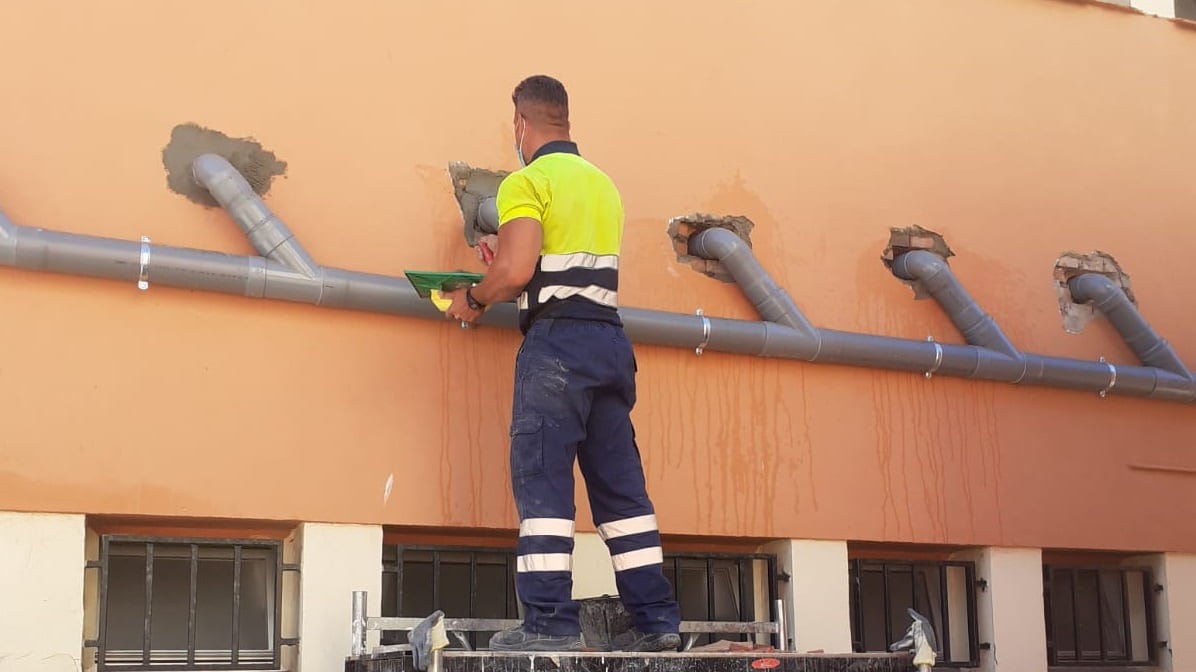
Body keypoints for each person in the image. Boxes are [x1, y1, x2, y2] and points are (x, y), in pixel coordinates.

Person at [442, 74, 682, 653]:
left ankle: (549, 624)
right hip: (609, 343)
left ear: (520, 125)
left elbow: (517, 272)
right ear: (565, 121)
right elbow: (559, 261)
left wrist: (473, 299)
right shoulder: (603, 186)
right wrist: (512, 261)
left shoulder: (528, 181)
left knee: (544, 484)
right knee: (622, 494)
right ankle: (657, 623)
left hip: (557, 349)